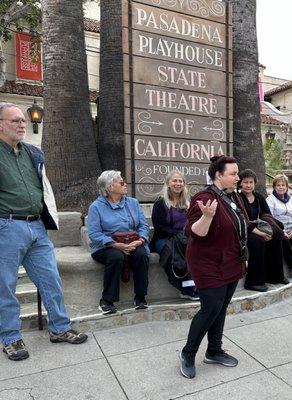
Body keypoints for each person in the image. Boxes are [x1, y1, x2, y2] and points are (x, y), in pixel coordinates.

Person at [0, 102, 87, 361]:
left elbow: (44, 187)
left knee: (51, 279)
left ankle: (60, 328)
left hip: (36, 226)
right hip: (7, 226)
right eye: (15, 120)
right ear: (1, 124)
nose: (22, 124)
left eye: (23, 120)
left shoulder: (32, 152)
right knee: (5, 286)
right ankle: (11, 337)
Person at [179, 156, 247, 379]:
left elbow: (237, 226)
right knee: (210, 308)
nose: (238, 178)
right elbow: (195, 232)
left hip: (231, 261)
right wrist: (207, 217)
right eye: (233, 174)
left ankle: (214, 350)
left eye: (237, 174)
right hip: (207, 263)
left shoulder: (233, 196)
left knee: (220, 308)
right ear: (218, 175)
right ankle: (188, 354)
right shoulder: (204, 198)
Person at [88, 170, 150, 314]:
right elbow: (94, 233)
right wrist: (116, 245)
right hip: (107, 245)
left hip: (133, 242)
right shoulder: (96, 207)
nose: (125, 184)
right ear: (110, 187)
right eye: (121, 182)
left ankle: (140, 298)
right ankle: (107, 300)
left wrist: (140, 240)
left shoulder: (133, 203)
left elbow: (143, 225)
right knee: (116, 257)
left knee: (141, 254)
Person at [150, 170, 198, 300]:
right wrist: (179, 234)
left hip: (185, 238)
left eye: (180, 181)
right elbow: (159, 227)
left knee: (196, 250)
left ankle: (196, 286)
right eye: (174, 181)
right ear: (168, 183)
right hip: (165, 238)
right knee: (173, 254)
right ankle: (185, 288)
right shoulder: (160, 204)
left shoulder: (189, 202)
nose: (178, 183)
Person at [238, 169, 286, 291]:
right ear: (240, 183)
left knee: (276, 240)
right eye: (245, 182)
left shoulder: (259, 197)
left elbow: (267, 215)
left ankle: (275, 276)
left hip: (260, 227)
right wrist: (260, 233)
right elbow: (242, 220)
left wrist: (269, 231)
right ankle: (254, 282)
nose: (248, 185)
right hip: (245, 230)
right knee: (257, 241)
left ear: (255, 183)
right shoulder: (238, 198)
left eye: (251, 182)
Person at [266, 174, 292, 280]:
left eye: (283, 185)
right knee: (284, 241)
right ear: (274, 187)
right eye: (278, 185)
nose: (281, 187)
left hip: (291, 230)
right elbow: (270, 219)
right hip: (279, 231)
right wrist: (282, 232)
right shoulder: (270, 200)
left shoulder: (291, 200)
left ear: (287, 187)